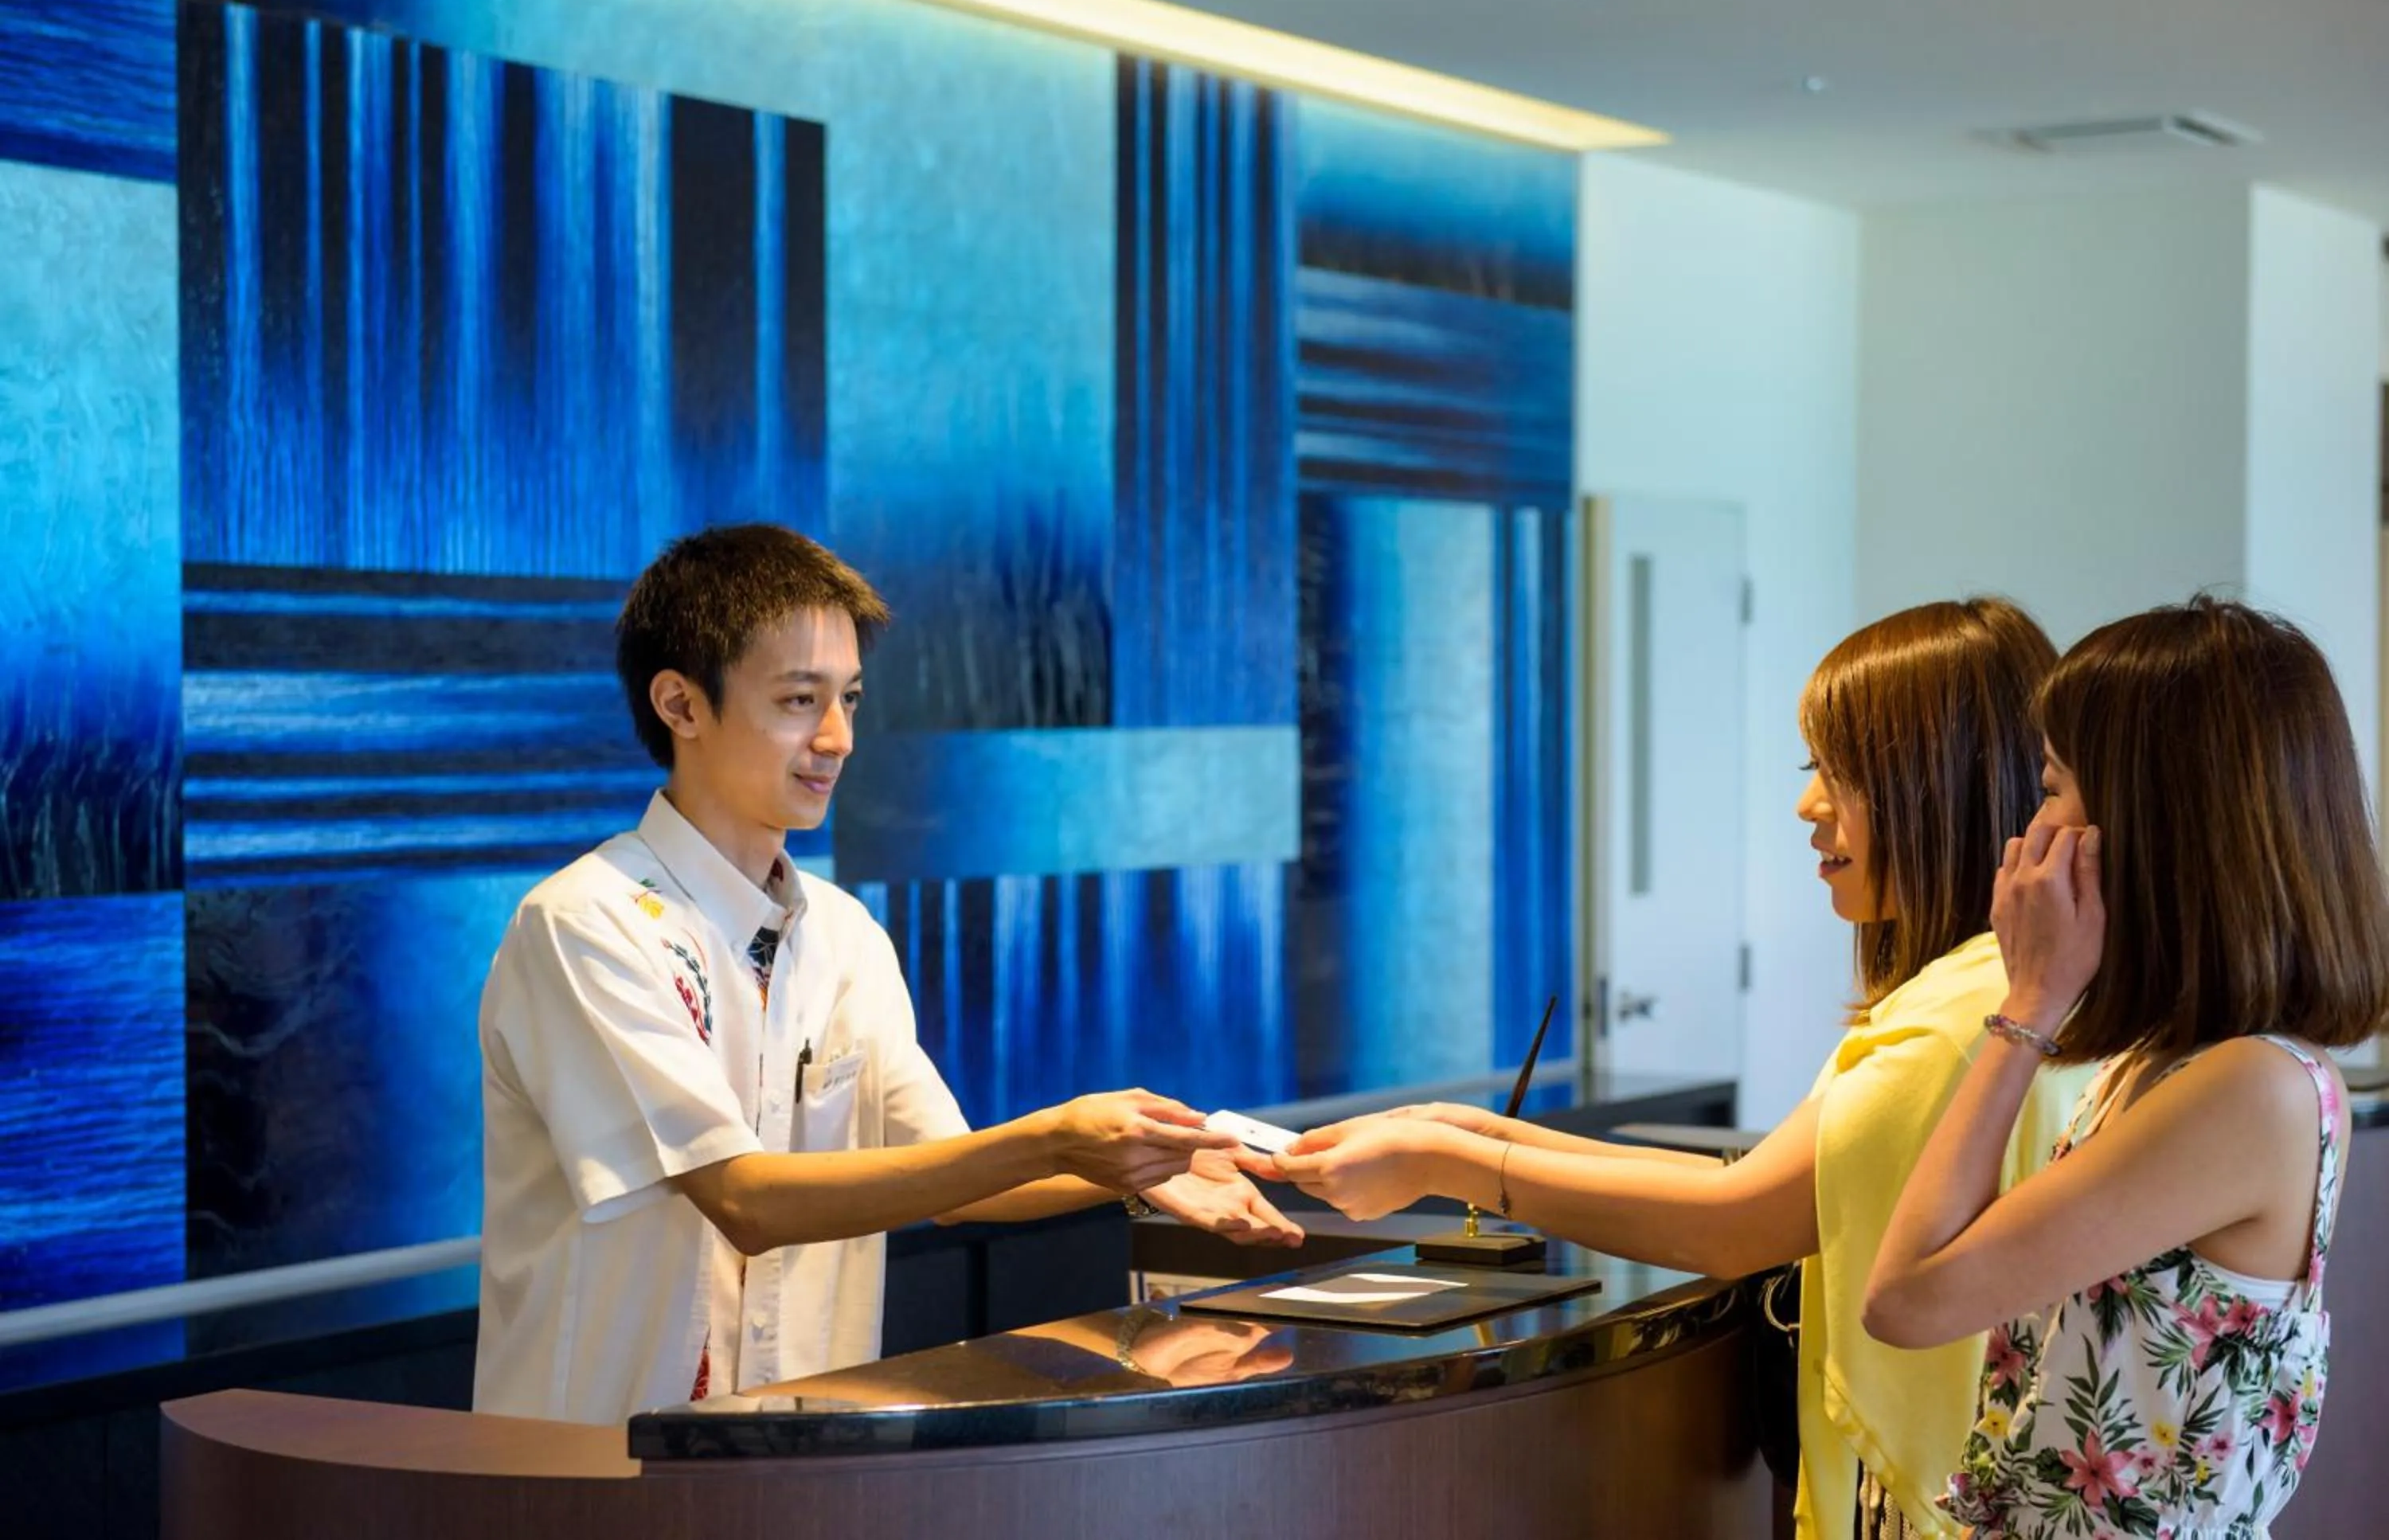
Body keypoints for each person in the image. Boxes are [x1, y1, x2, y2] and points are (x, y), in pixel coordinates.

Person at [1275, 600, 2097, 1538]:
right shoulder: (1976, 987)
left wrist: (1445, 1166)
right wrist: (1470, 1133)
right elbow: (1773, 1184)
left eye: (1839, 773)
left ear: (1935, 786)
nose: (1809, 807)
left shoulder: (1962, 1014)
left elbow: (1738, 1224)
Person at [474, 523, 1299, 1426]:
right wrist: (1059, 1137)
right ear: (681, 705)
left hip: (806, 1454)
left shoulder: (843, 933)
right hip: (597, 1468)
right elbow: (741, 1198)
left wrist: (1142, 1166)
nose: (837, 739)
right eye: (799, 700)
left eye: (850, 700)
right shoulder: (585, 923)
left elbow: (955, 1180)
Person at [1865, 597, 2389, 1538]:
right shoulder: (2167, 1063)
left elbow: (1906, 1299)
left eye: (2055, 786)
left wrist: (2027, 1005)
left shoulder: (2251, 1091)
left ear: (2153, 821)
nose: (2035, 825)